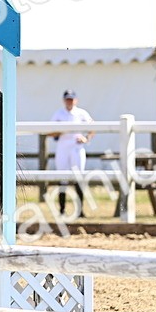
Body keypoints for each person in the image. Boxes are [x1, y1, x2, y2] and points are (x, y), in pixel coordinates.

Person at [50, 89, 93, 218]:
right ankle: (62, 210)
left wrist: (86, 138)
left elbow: (93, 127)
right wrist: (60, 131)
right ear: (64, 101)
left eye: (71, 99)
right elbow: (49, 131)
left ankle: (80, 210)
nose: (69, 101)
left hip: (76, 148)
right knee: (62, 178)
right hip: (63, 147)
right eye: (67, 99)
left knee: (79, 178)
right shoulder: (58, 114)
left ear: (75, 100)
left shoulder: (81, 113)